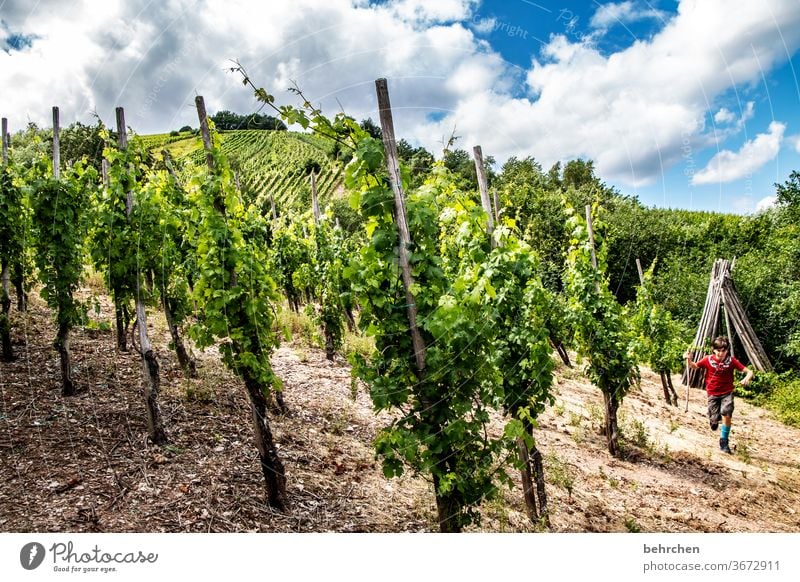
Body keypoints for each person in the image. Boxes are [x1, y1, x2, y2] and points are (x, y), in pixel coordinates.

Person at [685, 336, 753, 454]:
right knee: (714, 419)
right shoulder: (708, 360)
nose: (721, 353)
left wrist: (747, 378)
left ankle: (724, 441)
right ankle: (713, 420)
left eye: (724, 351)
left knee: (727, 413)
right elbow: (694, 366)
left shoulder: (731, 361)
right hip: (712, 393)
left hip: (727, 392)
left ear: (727, 350)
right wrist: (689, 360)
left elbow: (749, 371)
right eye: (718, 350)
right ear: (713, 350)